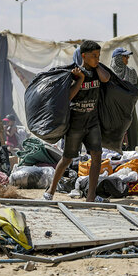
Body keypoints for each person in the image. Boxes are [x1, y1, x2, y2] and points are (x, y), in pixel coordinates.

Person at [44, 40, 111, 202]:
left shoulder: (98, 71)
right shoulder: (73, 73)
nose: (97, 58)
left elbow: (106, 79)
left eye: (98, 55)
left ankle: (91, 196)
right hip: (76, 123)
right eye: (93, 56)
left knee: (96, 156)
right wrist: (80, 79)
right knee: (67, 158)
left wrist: (96, 65)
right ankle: (50, 191)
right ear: (83, 56)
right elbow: (68, 97)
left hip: (92, 122)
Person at [110, 47, 138, 150]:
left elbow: (137, 91)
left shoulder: (131, 72)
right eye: (125, 56)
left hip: (129, 110)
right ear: (117, 58)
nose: (127, 58)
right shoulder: (108, 74)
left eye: (128, 56)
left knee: (132, 139)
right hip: (114, 112)